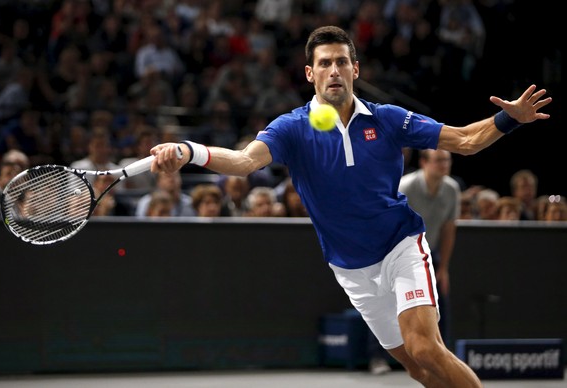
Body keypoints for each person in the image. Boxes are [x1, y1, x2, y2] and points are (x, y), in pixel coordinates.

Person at [149, 26, 551, 387]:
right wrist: (189, 150)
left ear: (355, 69)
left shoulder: (390, 119)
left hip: (401, 246)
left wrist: (507, 119)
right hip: (351, 269)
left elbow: (465, 140)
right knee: (414, 365)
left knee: (426, 348)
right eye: (324, 63)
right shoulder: (291, 127)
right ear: (311, 74)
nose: (334, 70)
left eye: (342, 61)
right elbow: (242, 163)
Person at [398, 149, 461, 350]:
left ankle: (443, 353)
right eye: (439, 160)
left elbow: (449, 228)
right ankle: (378, 357)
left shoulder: (452, 189)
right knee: (392, 304)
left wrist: (444, 268)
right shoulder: (405, 186)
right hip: (396, 252)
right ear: (424, 162)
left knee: (439, 300)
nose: (444, 165)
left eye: (447, 160)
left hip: (429, 253)